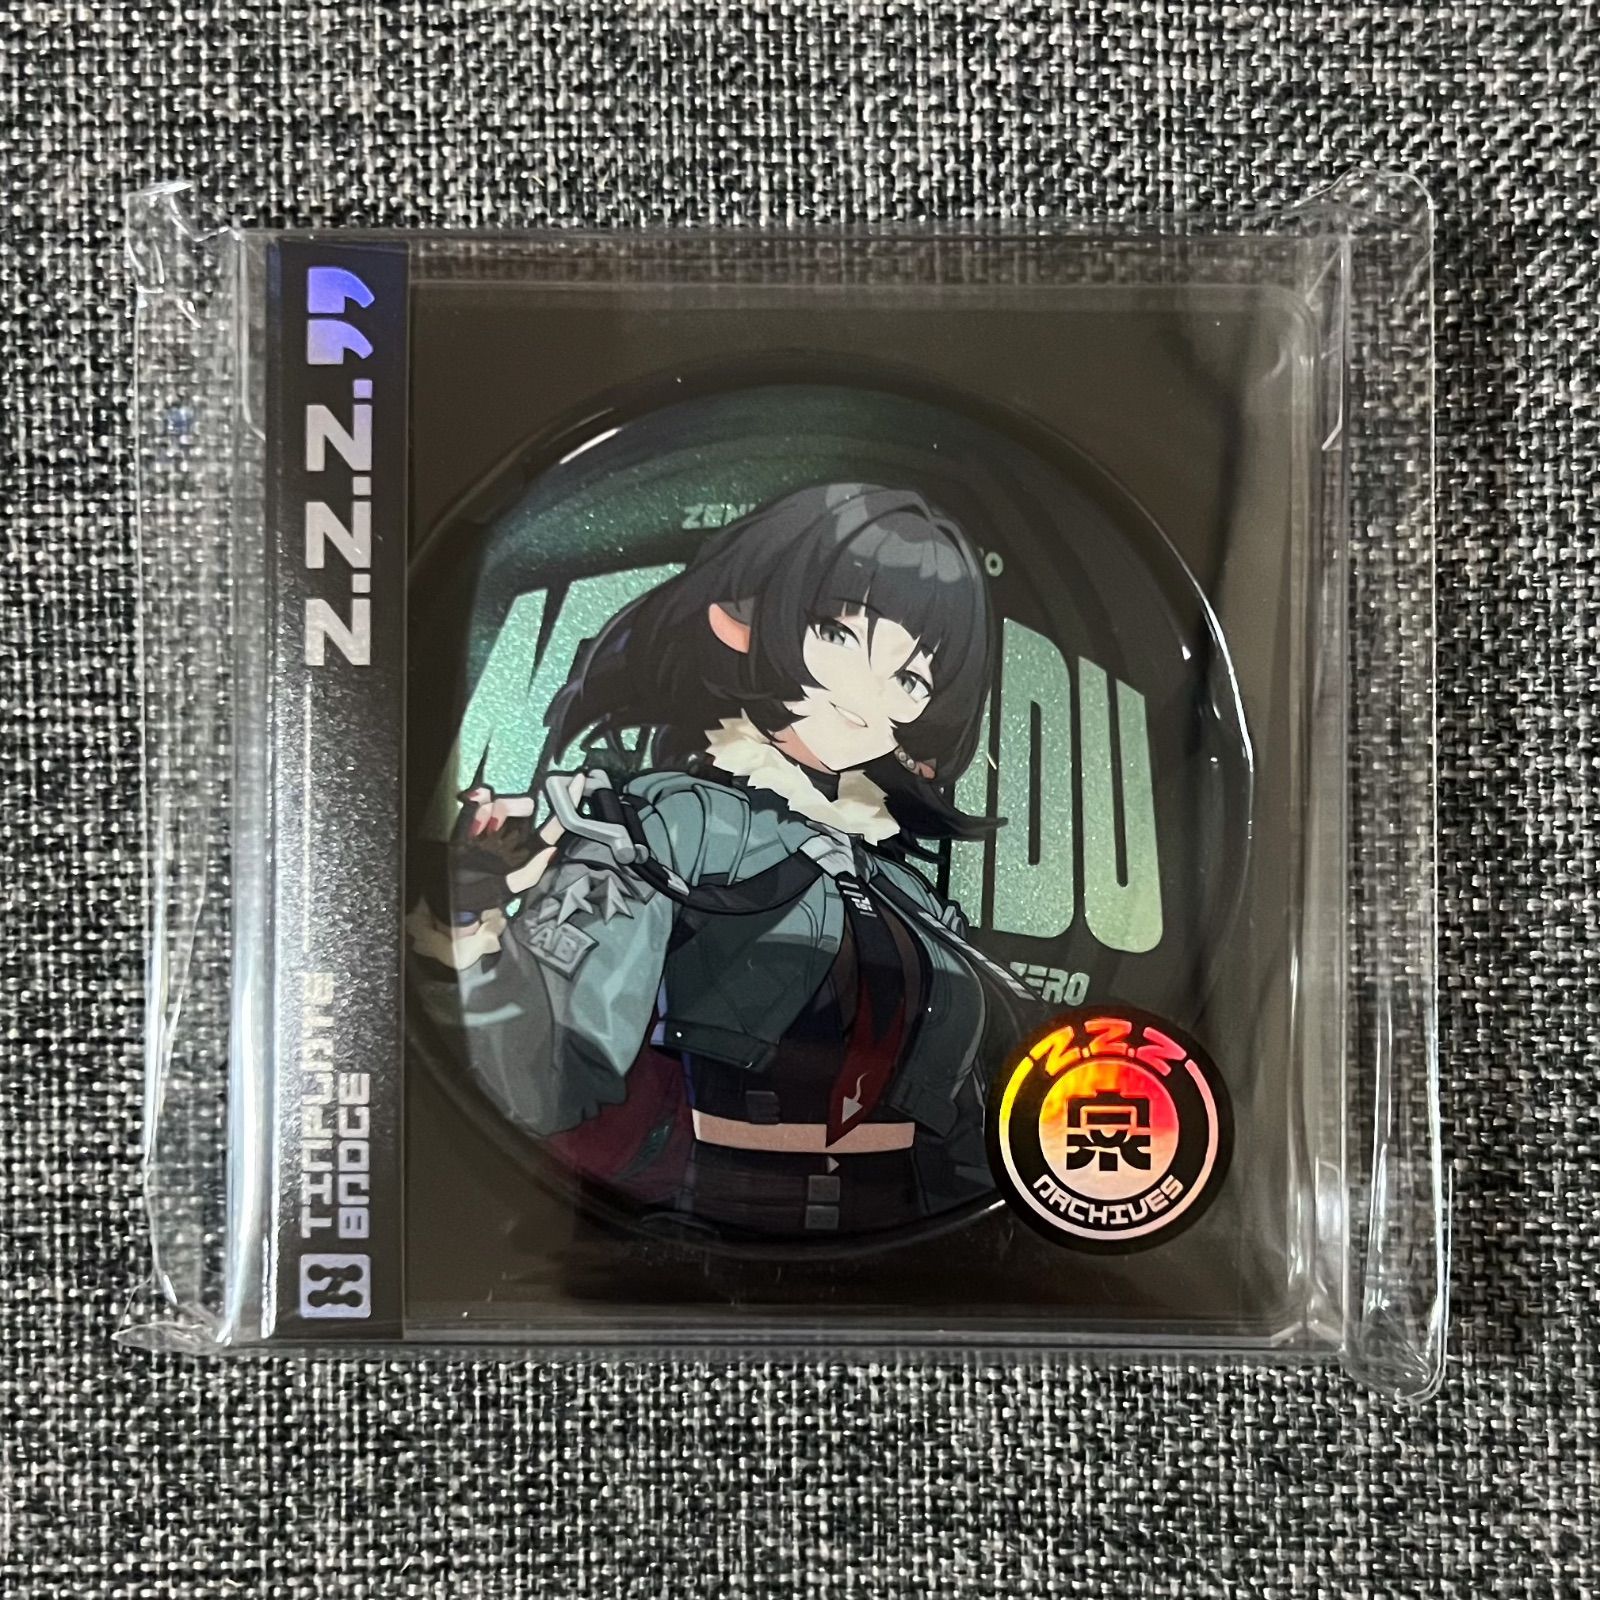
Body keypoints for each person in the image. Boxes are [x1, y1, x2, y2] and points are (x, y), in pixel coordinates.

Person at [408, 482, 1038, 1240]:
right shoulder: (669, 825)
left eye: (908, 679)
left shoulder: (909, 896)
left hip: (913, 1250)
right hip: (702, 1231)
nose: (865, 697)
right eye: (839, 635)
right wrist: (467, 920)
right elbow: (550, 1066)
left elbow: (965, 1120)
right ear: (741, 621)